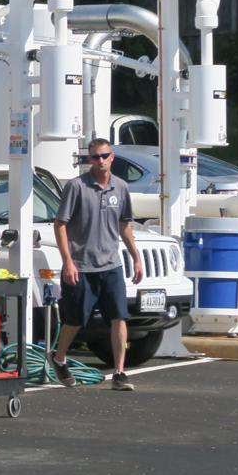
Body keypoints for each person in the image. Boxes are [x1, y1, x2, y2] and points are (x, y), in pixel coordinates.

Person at [50, 138, 144, 392]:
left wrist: (136, 257)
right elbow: (60, 224)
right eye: (94, 157)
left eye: (104, 156)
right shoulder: (76, 187)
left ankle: (120, 372)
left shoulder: (121, 187)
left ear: (112, 157)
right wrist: (68, 261)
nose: (100, 161)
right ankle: (58, 358)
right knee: (75, 320)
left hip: (111, 264)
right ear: (89, 160)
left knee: (119, 316)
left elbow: (125, 225)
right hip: (82, 265)